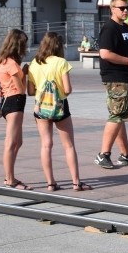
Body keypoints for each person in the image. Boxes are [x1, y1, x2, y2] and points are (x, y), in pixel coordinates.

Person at [27, 32, 91, 192]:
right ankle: (76, 183)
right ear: (58, 46)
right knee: (68, 146)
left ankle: (50, 183)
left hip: (40, 107)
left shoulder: (34, 63)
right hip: (60, 106)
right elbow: (68, 89)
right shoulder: (61, 62)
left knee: (46, 145)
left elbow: (30, 91)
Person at [94, 0, 128, 169]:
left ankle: (126, 154)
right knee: (116, 115)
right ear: (112, 9)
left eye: (127, 8)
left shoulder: (124, 27)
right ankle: (103, 154)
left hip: (126, 77)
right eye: (122, 8)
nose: (125, 11)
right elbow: (105, 53)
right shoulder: (110, 28)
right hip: (115, 77)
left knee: (121, 115)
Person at [0, 28, 30, 190]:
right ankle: (10, 179)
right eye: (24, 44)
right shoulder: (12, 64)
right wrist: (26, 75)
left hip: (10, 102)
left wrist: (22, 72)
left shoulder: (2, 61)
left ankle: (10, 175)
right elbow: (21, 89)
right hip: (14, 102)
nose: (26, 48)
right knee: (10, 143)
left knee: (18, 141)